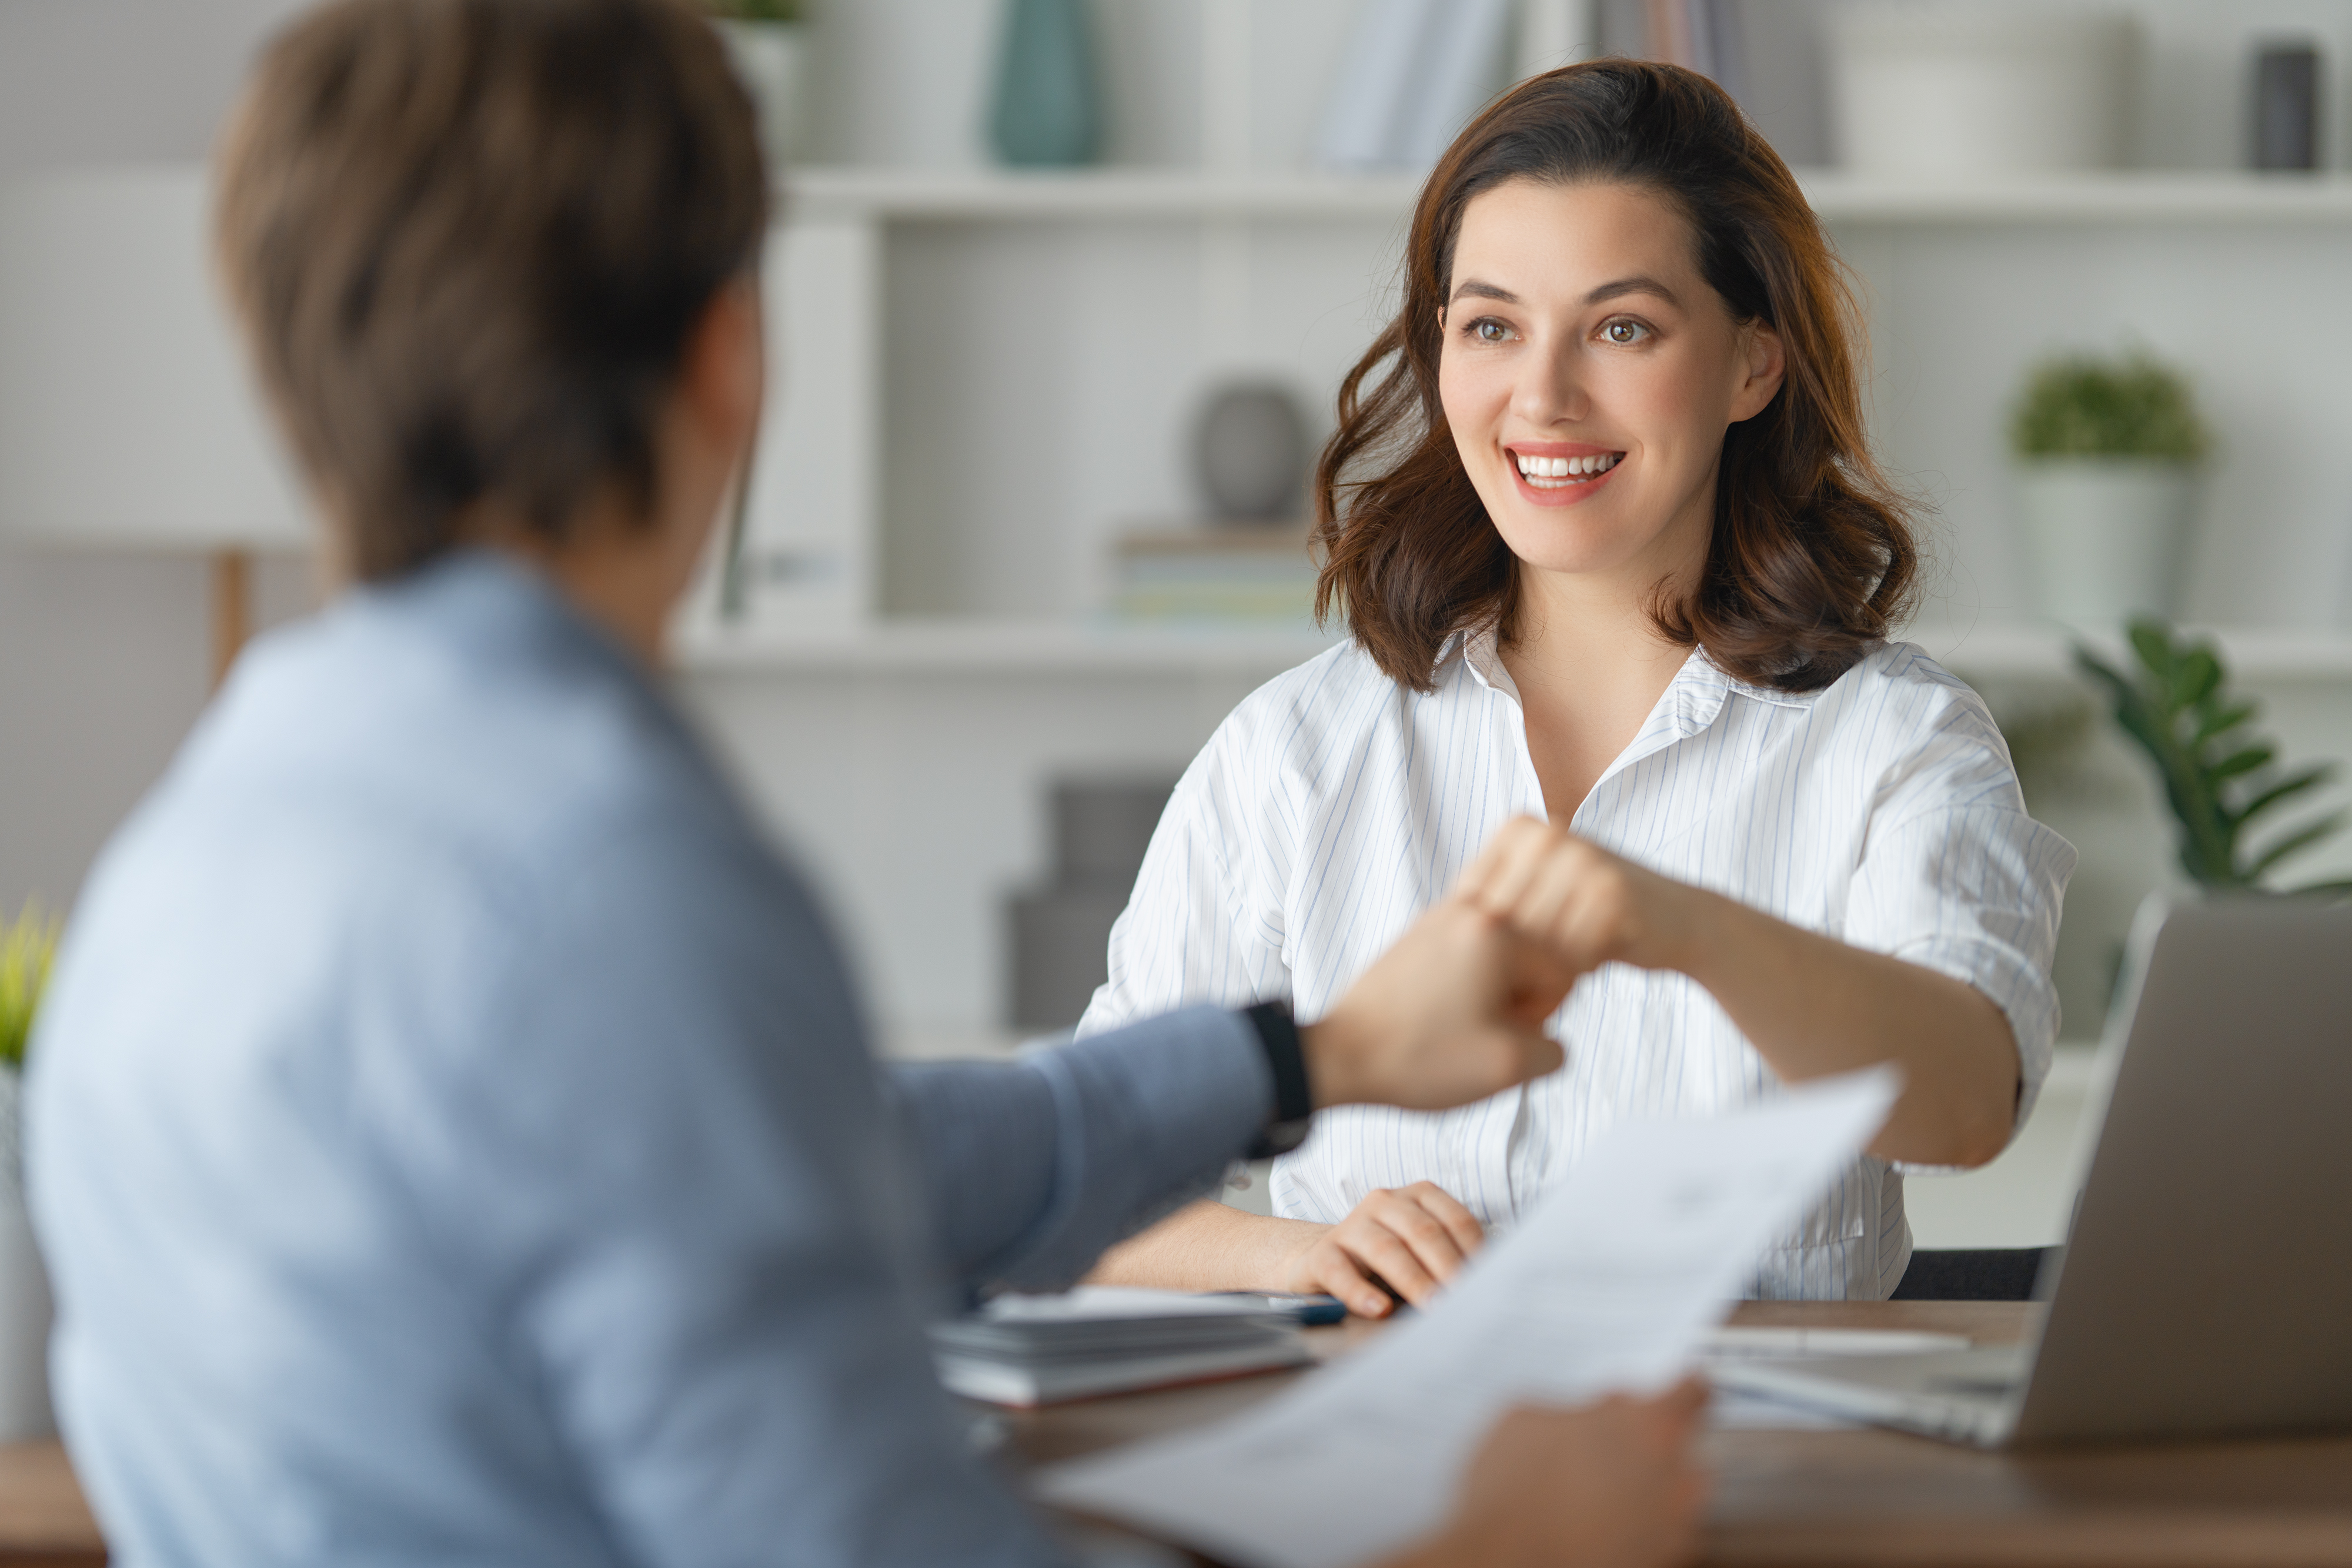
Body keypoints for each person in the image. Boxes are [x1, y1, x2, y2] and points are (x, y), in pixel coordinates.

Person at [23, 4, 1710, 1566]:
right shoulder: (613, 885)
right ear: (730, 356)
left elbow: (829, 1156)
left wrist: (1309, 1056)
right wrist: (1476, 1535)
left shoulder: (189, 861)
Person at [1081, 58, 2076, 1318]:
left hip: (1772, 1478)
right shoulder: (1294, 749)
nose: (1540, 397)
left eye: (1621, 328)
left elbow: (1964, 1099)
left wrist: (1685, 925)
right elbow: (1079, 1172)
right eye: (1489, 324)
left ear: (1750, 366)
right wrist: (1296, 1252)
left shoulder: (1895, 740)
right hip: (1382, 1468)